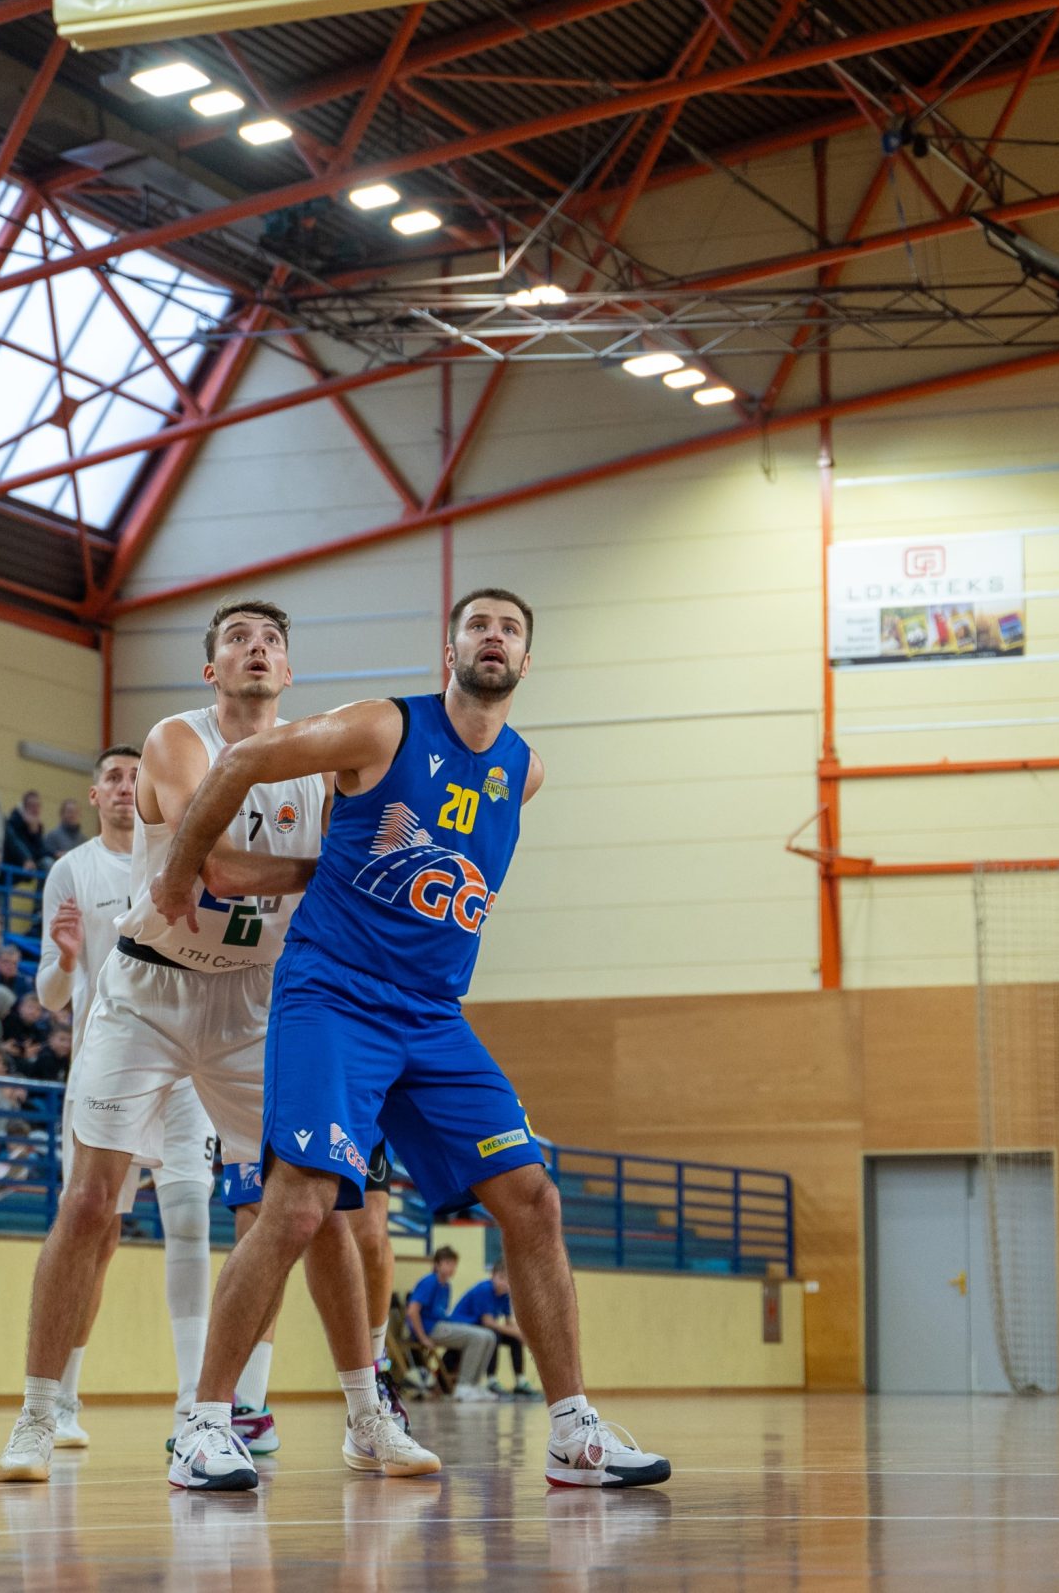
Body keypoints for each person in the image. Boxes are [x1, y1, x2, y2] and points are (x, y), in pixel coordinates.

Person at [154, 587, 668, 1490]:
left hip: (431, 1013)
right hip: (334, 993)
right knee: (300, 1204)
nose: (494, 636)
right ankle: (203, 1424)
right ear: (450, 649)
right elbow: (249, 756)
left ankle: (572, 1432)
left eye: (510, 628)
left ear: (527, 660)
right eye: (479, 625)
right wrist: (178, 870)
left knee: (534, 1199)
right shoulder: (384, 727)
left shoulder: (524, 770)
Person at [0, 598, 400, 1489]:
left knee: (312, 1203)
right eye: (238, 638)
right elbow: (209, 860)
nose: (257, 648)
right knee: (90, 1203)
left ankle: (366, 1413)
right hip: (149, 991)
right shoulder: (177, 740)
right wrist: (332, 869)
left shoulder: (318, 765)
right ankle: (39, 1411)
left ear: (288, 671)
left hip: (254, 999)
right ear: (212, 669)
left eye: (272, 641)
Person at [408, 1247, 499, 1399]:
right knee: (478, 1337)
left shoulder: (446, 1286)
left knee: (490, 1336)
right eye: (448, 1263)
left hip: (442, 1325)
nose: (451, 1268)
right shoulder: (430, 1281)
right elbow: (412, 1311)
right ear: (437, 1264)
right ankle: (463, 1386)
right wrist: (422, 1337)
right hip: (430, 1328)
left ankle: (474, 1385)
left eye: (454, 1264)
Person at [456, 1262, 535, 1396]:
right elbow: (487, 1322)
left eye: (509, 1279)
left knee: (514, 1340)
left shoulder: (505, 1294)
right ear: (492, 1276)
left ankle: (520, 1380)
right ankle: (491, 1380)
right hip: (466, 1326)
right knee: (494, 1335)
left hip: (482, 1328)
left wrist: (521, 1335)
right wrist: (517, 1333)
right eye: (502, 1278)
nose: (505, 1283)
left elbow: (509, 1322)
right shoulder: (484, 1290)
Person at [2, 789, 49, 873]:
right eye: (32, 806)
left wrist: (34, 834)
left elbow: (40, 852)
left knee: (49, 862)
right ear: (24, 807)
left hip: (29, 865)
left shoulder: (37, 826)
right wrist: (26, 858)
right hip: (13, 865)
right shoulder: (14, 822)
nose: (35, 809)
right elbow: (15, 846)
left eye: (38, 806)